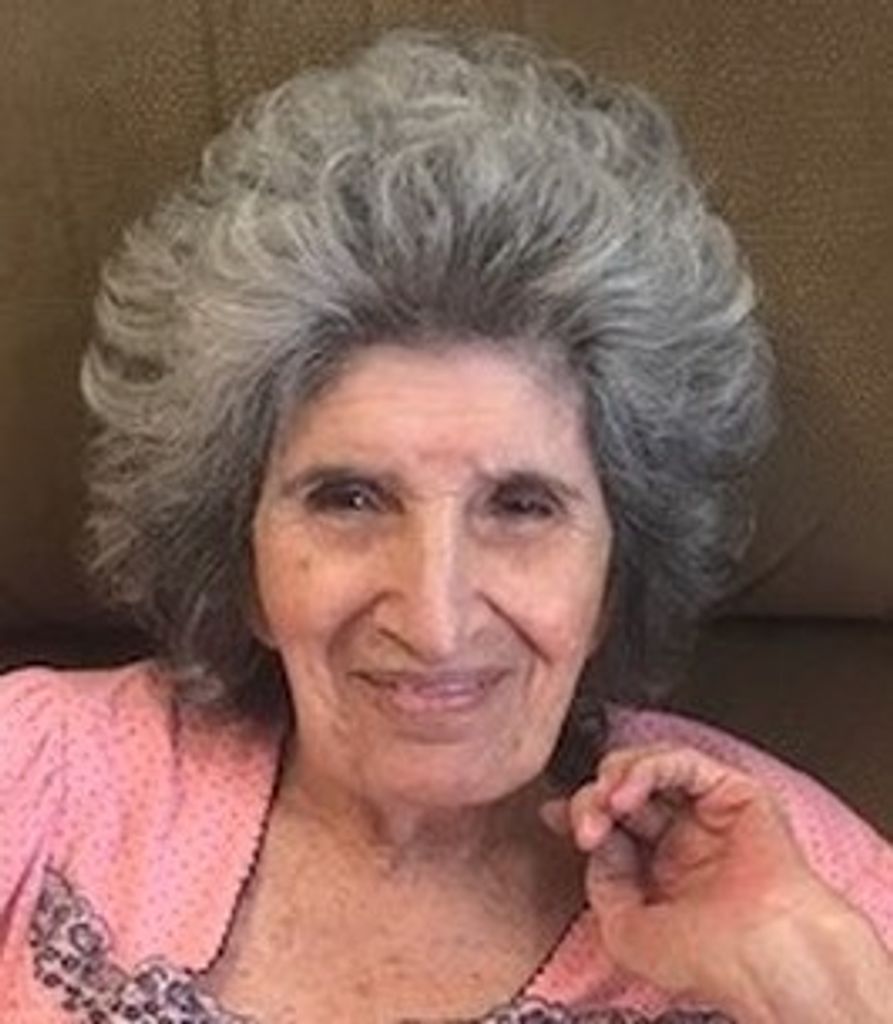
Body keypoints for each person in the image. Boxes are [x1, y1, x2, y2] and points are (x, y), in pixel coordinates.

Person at [0, 29, 890, 1024]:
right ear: (239, 559)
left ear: (614, 573)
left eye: (520, 507)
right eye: (349, 499)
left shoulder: (786, 877)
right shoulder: (44, 774)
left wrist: (813, 989)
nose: (433, 620)